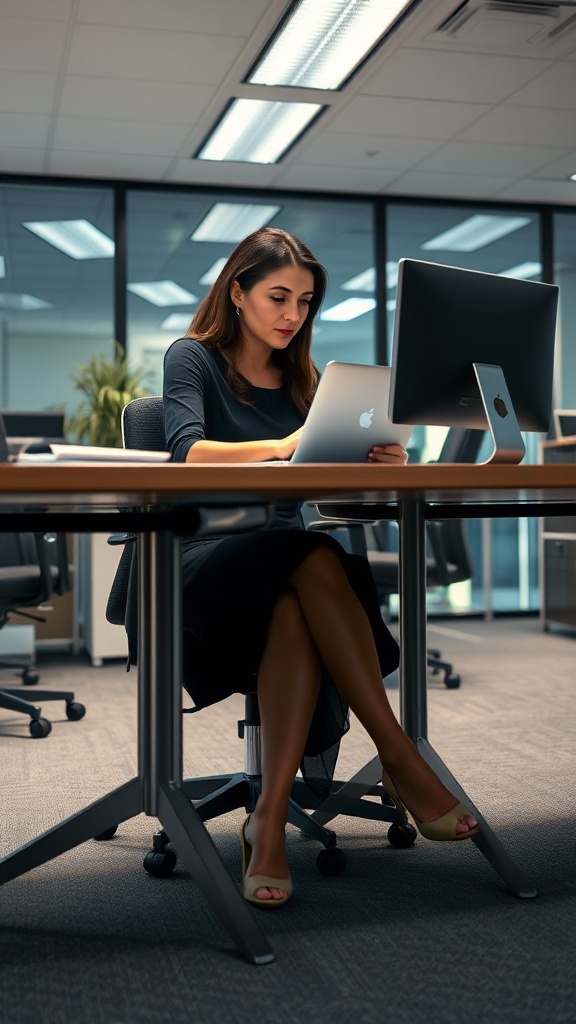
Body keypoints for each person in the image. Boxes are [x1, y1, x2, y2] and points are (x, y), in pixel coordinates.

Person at [162, 227, 479, 909]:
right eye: (279, 296)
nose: (292, 314)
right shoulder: (192, 358)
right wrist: (283, 444)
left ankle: (266, 820)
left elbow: (324, 495)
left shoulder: (306, 379)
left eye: (305, 302)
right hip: (204, 559)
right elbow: (187, 453)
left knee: (299, 582)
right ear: (238, 291)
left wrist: (378, 470)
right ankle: (397, 752)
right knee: (312, 556)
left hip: (285, 564)